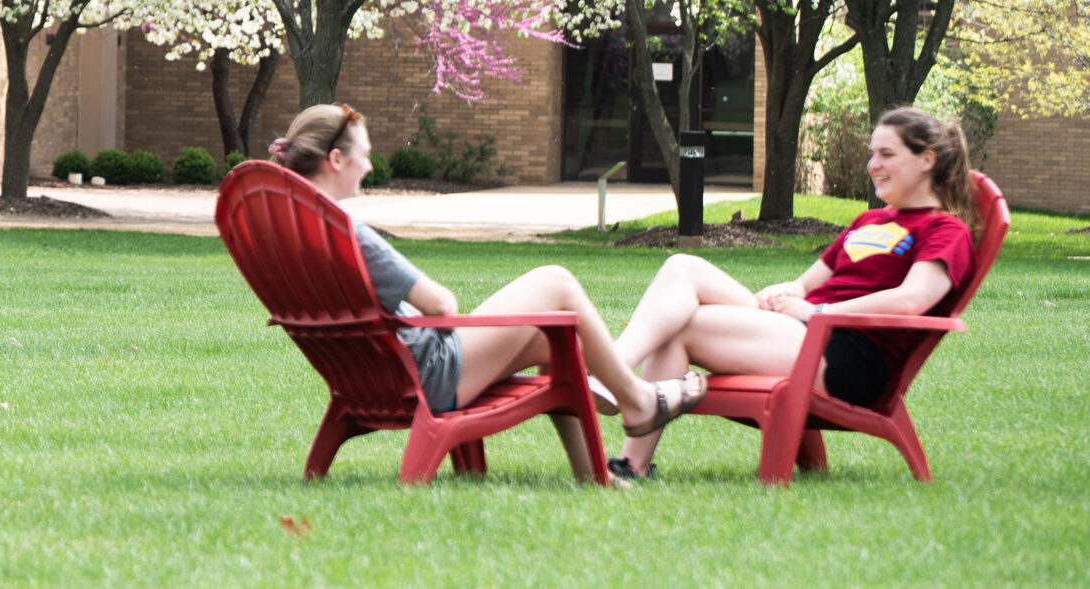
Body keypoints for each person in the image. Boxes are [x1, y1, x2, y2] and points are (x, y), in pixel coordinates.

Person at [270, 103, 705, 477]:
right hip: (429, 373)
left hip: (373, 377)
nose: (369, 164)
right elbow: (441, 305)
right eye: (364, 154)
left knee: (558, 341)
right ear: (336, 160)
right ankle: (636, 400)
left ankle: (593, 475)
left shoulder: (291, 238)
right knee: (555, 280)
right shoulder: (350, 234)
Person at [602, 105, 978, 481]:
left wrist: (819, 312)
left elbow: (912, 300)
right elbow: (806, 283)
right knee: (683, 266)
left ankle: (617, 397)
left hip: (846, 356)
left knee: (681, 326)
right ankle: (619, 400)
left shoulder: (944, 230)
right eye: (871, 153)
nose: (873, 164)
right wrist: (784, 293)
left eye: (887, 154)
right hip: (804, 332)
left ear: (926, 159)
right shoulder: (870, 220)